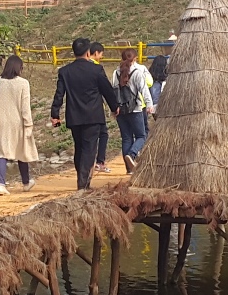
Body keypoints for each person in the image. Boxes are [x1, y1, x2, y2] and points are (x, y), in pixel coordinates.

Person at [50, 37, 121, 190]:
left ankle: (82, 179)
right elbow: (107, 90)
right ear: (88, 52)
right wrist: (115, 107)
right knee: (89, 149)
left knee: (79, 147)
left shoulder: (65, 71)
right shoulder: (96, 70)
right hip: (93, 116)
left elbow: (59, 94)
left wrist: (55, 114)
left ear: (74, 52)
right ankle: (83, 184)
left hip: (74, 116)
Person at [0, 54, 39, 194]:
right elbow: (25, 107)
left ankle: (0, 184)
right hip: (17, 122)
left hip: (0, 121)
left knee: (1, 152)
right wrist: (28, 124)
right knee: (22, 151)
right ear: (19, 68)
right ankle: (26, 182)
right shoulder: (23, 83)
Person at [113, 47, 153, 172]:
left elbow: (113, 92)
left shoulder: (115, 73)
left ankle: (128, 169)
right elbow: (144, 89)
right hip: (135, 109)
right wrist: (149, 104)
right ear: (135, 58)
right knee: (141, 136)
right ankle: (132, 154)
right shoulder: (137, 72)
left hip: (120, 111)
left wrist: (113, 109)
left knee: (126, 138)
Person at [88, 41, 111, 173]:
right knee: (103, 134)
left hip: (80, 110)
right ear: (96, 53)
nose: (101, 56)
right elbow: (105, 88)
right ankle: (99, 162)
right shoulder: (97, 68)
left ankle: (88, 165)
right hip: (96, 108)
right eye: (101, 54)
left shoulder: (79, 67)